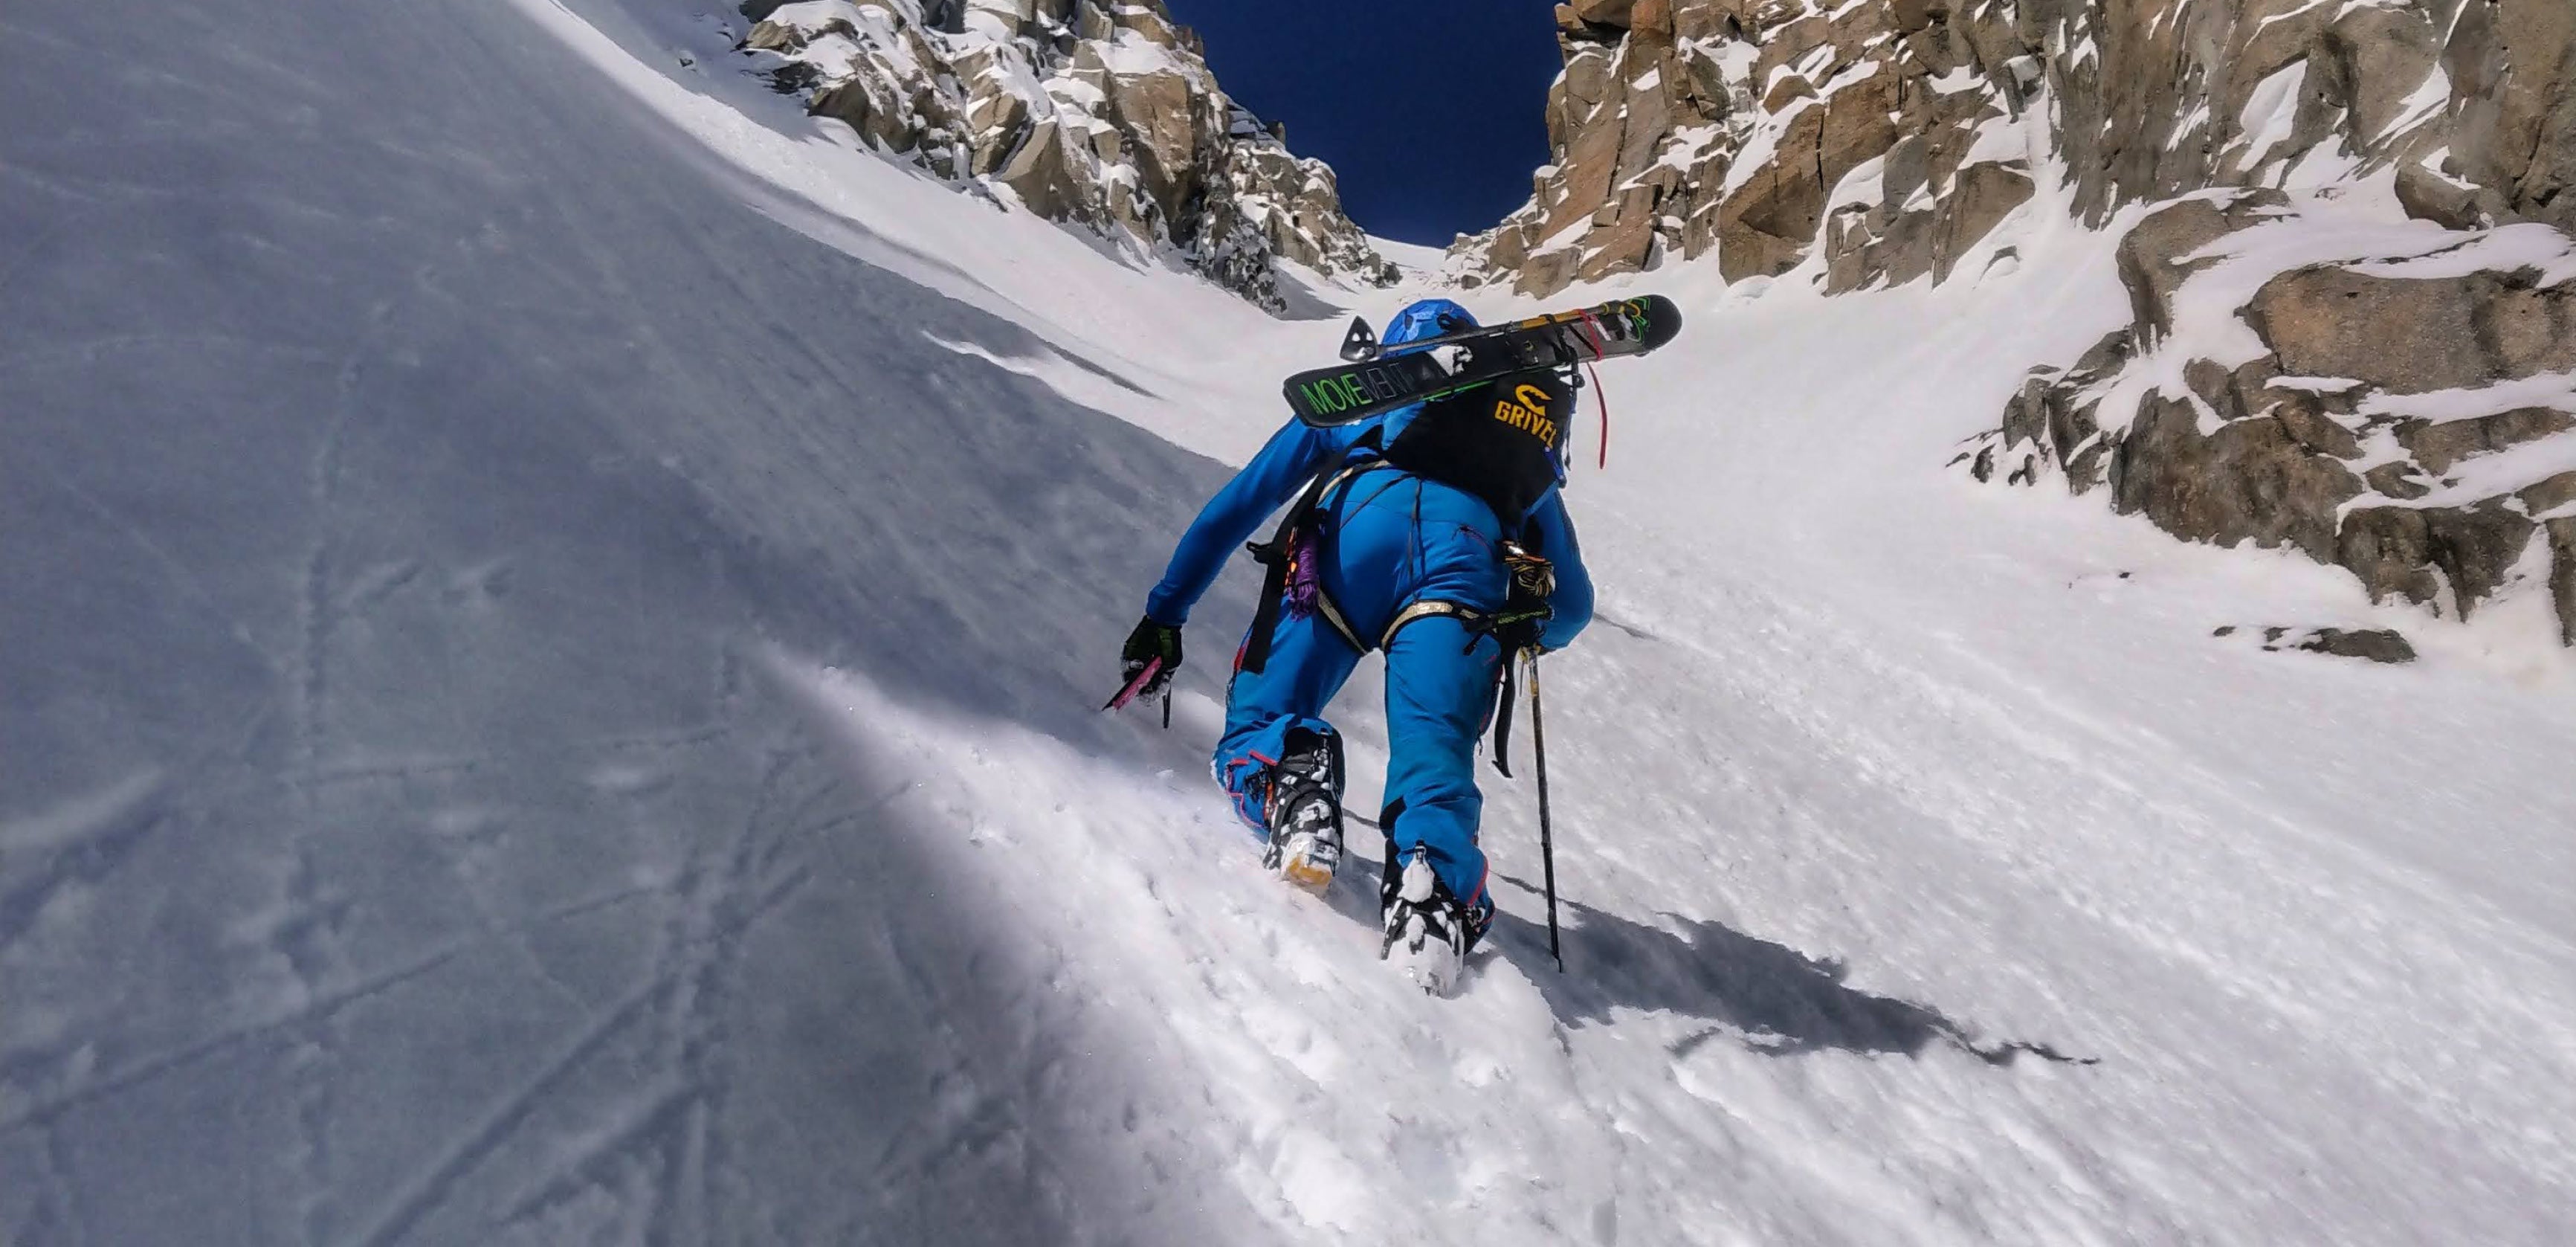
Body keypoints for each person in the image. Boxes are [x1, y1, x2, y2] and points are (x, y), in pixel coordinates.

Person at [1115, 298, 1594, 994]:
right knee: (1434, 754)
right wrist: (1515, 627)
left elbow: (1235, 507)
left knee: (1261, 714)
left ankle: (1291, 772)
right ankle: (1429, 891)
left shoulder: (1363, 400)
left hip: (1347, 542)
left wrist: (1166, 613)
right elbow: (1573, 607)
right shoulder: (1511, 443)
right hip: (1467, 561)